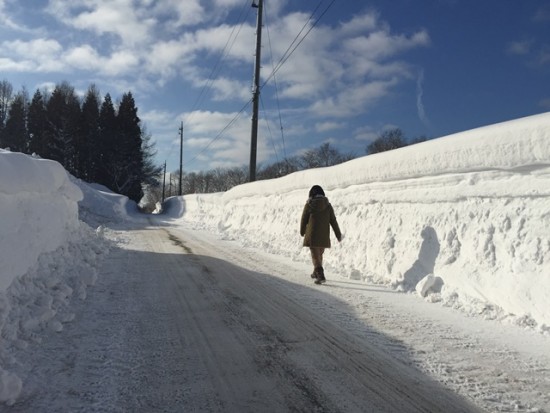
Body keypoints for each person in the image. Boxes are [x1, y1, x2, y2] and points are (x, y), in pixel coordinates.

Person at [300, 185, 342, 284]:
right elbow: (333, 221)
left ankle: (320, 274)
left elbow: (303, 220)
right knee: (319, 254)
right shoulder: (328, 206)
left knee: (315, 255)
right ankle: (316, 271)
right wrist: (338, 234)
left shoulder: (309, 205)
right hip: (324, 236)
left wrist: (302, 231)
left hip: (312, 235)